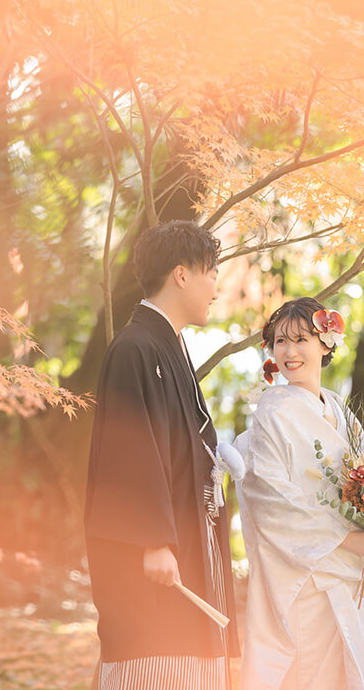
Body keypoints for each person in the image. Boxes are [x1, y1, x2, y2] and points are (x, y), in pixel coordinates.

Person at [84, 220, 239, 689]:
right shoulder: (135, 348)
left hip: (188, 541)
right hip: (156, 552)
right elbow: (129, 449)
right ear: (181, 274)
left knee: (192, 659)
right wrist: (152, 539)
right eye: (211, 272)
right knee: (157, 661)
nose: (216, 286)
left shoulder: (168, 344)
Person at [234, 297, 364, 690]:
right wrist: (348, 538)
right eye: (280, 341)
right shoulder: (272, 413)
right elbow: (269, 499)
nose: (289, 352)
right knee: (310, 675)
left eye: (300, 339)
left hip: (350, 573)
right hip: (306, 573)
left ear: (326, 344)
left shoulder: (341, 411)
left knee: (353, 670)